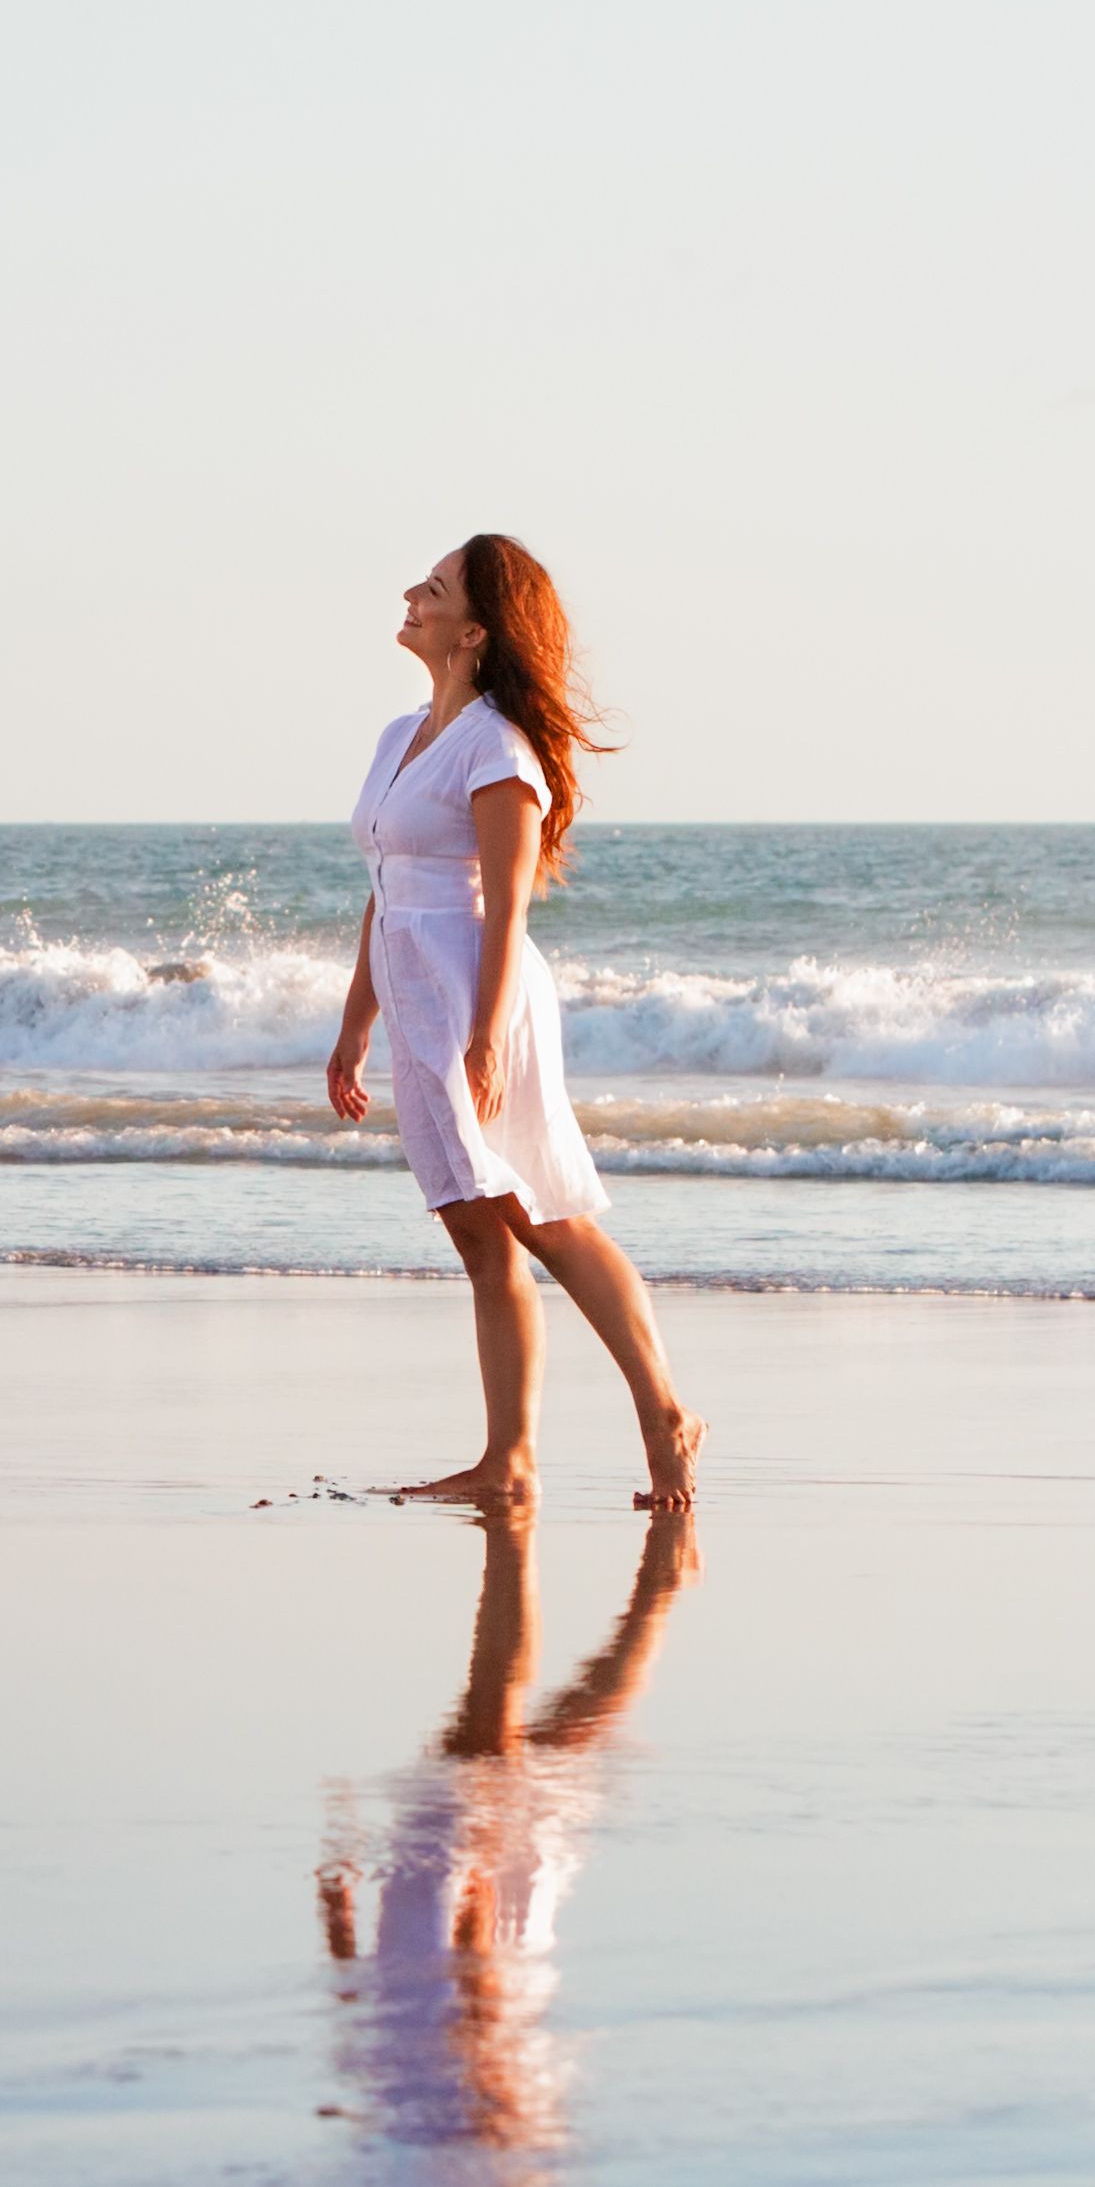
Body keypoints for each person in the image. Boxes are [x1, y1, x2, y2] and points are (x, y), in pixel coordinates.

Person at [322, 535, 707, 1511]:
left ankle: (664, 1415)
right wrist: (352, 1023)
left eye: (436, 588)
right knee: (476, 1234)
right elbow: (383, 886)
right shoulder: (398, 736)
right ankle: (510, 1460)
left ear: (475, 632)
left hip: (478, 995)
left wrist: (487, 1034)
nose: (412, 593)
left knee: (543, 1216)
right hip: (415, 998)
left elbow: (510, 901)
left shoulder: (497, 749)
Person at [316, 1493, 702, 2157]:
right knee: (540, 1729)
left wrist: (339, 1908)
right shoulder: (433, 2103)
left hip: (456, 1872)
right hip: (476, 1881)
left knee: (537, 1727)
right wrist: (484, 1853)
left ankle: (650, 1595)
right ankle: (653, 1594)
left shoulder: (399, 2101)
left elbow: (359, 2000)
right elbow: (471, 1982)